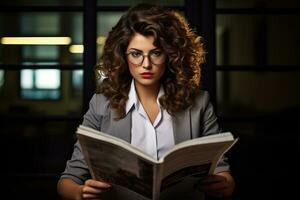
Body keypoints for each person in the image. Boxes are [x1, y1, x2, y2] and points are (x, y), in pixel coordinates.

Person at [57, 3, 235, 200]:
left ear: (171, 55)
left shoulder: (199, 103)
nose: (146, 64)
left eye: (156, 53)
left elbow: (223, 172)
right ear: (122, 56)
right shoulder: (101, 104)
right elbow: (67, 182)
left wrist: (224, 184)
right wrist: (80, 193)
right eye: (136, 54)